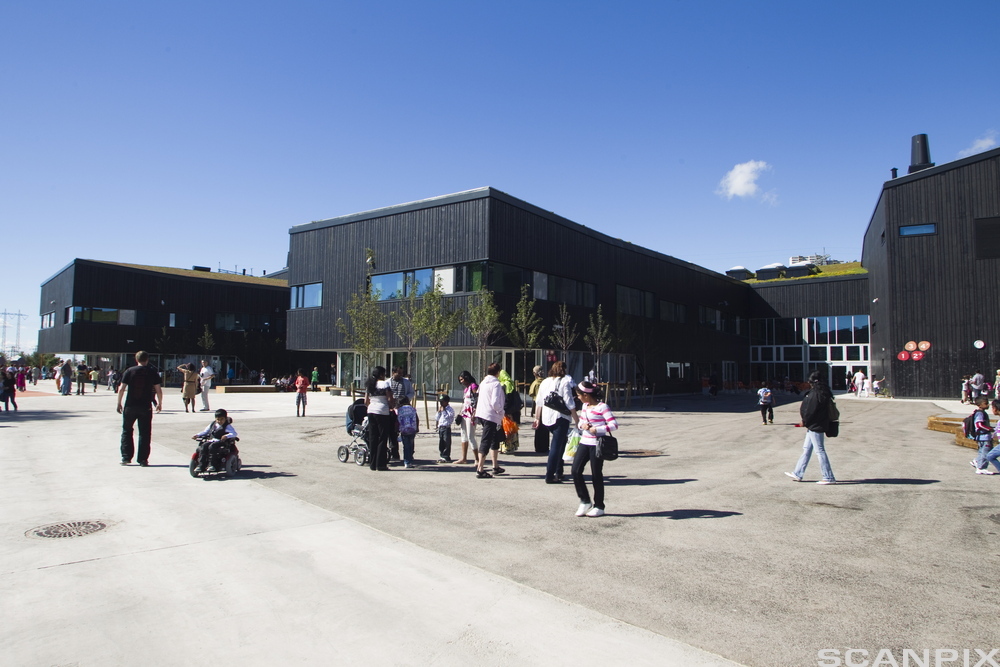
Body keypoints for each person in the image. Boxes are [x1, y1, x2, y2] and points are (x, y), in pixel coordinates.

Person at [573, 380, 618, 517]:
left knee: (596, 474)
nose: (578, 397)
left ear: (586, 395)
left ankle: (599, 505)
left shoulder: (602, 407)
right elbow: (580, 421)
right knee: (575, 470)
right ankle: (585, 500)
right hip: (584, 442)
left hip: (597, 444)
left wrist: (596, 429)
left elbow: (614, 425)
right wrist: (583, 426)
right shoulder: (585, 406)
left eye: (579, 395)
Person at [785, 371, 836, 484]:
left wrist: (804, 421)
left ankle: (828, 477)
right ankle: (798, 473)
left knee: (820, 451)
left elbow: (811, 410)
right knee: (807, 449)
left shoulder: (815, 394)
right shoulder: (824, 392)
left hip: (815, 425)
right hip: (818, 424)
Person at [532, 360, 577, 484]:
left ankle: (559, 471)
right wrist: (576, 419)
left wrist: (537, 418)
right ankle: (550, 475)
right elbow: (569, 402)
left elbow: (539, 401)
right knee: (556, 446)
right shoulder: (565, 382)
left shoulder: (545, 381)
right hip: (560, 417)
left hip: (547, 417)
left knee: (561, 443)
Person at [117, 350, 163, 467]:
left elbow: (121, 388)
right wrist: (159, 403)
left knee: (127, 431)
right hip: (145, 406)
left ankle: (126, 457)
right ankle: (143, 459)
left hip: (130, 405)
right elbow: (158, 389)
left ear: (136, 359)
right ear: (147, 359)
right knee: (145, 433)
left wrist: (119, 403)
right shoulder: (152, 372)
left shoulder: (129, 371)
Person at [474, 362, 506, 478]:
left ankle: (495, 465)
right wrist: (501, 411)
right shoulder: (496, 384)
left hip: (482, 413)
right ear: (498, 372)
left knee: (494, 439)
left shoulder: (483, 383)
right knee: (486, 440)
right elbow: (495, 402)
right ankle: (480, 468)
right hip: (491, 415)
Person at [364, 367, 395, 471]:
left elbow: (366, 401)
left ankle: (372, 464)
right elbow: (390, 398)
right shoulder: (385, 384)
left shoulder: (369, 385)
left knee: (373, 437)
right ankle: (381, 464)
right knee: (382, 438)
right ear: (381, 374)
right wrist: (391, 407)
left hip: (371, 411)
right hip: (382, 412)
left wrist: (371, 405)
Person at [192, 408, 238, 473]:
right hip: (212, 441)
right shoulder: (213, 424)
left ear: (225, 418)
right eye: (218, 419)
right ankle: (201, 466)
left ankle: (213, 465)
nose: (219, 421)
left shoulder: (227, 426)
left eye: (222, 419)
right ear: (215, 419)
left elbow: (234, 433)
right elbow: (205, 432)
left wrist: (226, 436)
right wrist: (197, 435)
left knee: (212, 447)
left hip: (222, 442)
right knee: (204, 446)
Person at [455, 371, 479, 464]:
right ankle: (463, 457)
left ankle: (477, 458)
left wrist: (475, 412)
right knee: (463, 435)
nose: (461, 382)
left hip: (471, 414)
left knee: (470, 435)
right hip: (464, 413)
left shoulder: (473, 386)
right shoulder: (466, 389)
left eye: (462, 379)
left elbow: (477, 399)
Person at [969, 398, 996, 474]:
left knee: (982, 451)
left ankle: (977, 461)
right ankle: (981, 467)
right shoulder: (980, 413)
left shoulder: (980, 412)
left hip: (981, 437)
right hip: (984, 436)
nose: (988, 405)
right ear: (979, 405)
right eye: (986, 403)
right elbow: (979, 424)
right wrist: (989, 429)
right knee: (986, 452)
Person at [527, 365, 548, 453]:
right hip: (546, 407)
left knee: (538, 426)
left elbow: (531, 394)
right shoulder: (546, 382)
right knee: (545, 427)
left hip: (537, 405)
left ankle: (539, 446)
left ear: (534, 373)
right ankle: (545, 446)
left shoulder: (535, 383)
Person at [396, 395, 419, 468]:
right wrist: (417, 427)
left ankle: (407, 461)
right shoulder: (412, 409)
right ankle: (410, 456)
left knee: (406, 446)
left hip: (404, 430)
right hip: (412, 429)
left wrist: (397, 429)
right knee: (411, 444)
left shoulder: (399, 410)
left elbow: (398, 420)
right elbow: (416, 418)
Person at [436, 394, 455, 463]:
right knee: (441, 442)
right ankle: (442, 455)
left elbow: (448, 418)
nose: (441, 403)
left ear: (447, 402)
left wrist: (443, 411)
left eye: (442, 402)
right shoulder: (441, 409)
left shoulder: (450, 409)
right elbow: (436, 418)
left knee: (446, 442)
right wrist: (438, 412)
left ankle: (446, 456)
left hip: (446, 427)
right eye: (440, 402)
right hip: (440, 427)